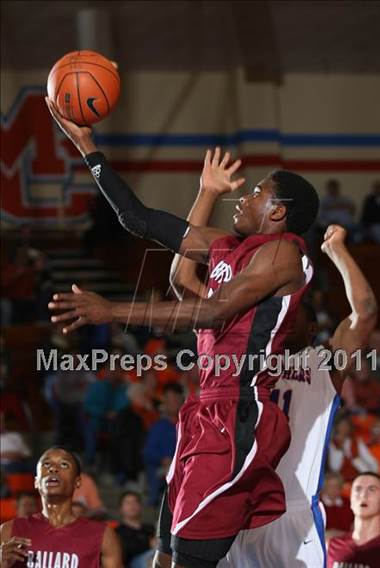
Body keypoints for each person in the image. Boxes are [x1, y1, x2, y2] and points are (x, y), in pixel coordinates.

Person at [45, 98, 319, 568]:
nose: (245, 197)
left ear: (277, 213)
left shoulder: (282, 255)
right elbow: (155, 241)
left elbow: (211, 312)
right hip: (204, 410)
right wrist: (88, 147)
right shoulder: (228, 246)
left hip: (239, 415)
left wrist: (111, 309)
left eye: (255, 192)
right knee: (164, 556)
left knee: (189, 561)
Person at [172, 197, 377, 565]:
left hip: (292, 511)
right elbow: (184, 280)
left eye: (293, 309)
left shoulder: (324, 362)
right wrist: (206, 194)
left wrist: (336, 250)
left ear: (311, 328)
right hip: (236, 496)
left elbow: (365, 314)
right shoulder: (247, 353)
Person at [0, 446, 122, 567]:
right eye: (46, 464)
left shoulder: (104, 536)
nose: (53, 468)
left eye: (64, 465)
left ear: (77, 482)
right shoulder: (8, 531)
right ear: (36, 482)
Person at [143, 383, 184, 507]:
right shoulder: (158, 426)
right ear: (164, 402)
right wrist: (163, 459)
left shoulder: (189, 426)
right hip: (163, 470)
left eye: (176, 400)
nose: (173, 403)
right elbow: (148, 452)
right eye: (169, 400)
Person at [116, 491, 156, 568]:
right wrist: (148, 543)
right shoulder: (119, 531)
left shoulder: (150, 528)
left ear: (141, 507)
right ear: (120, 509)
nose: (132, 505)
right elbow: (125, 552)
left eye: (135, 502)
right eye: (128, 503)